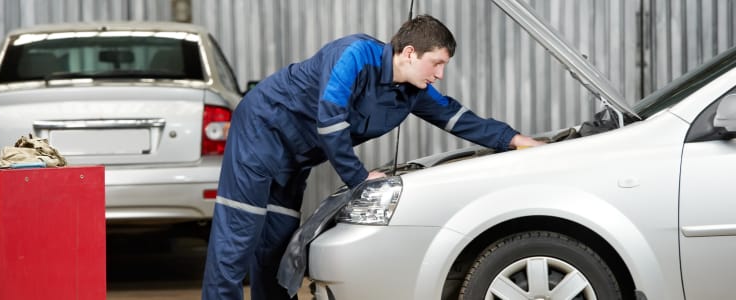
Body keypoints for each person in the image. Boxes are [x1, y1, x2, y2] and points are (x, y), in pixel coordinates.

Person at [202, 14, 544, 300]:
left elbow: (457, 117)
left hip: (298, 157)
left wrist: (513, 139)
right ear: (410, 52)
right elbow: (330, 120)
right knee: (238, 235)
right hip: (261, 132)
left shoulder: (413, 91)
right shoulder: (352, 54)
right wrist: (359, 178)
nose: (439, 74)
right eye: (436, 63)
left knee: (277, 243)